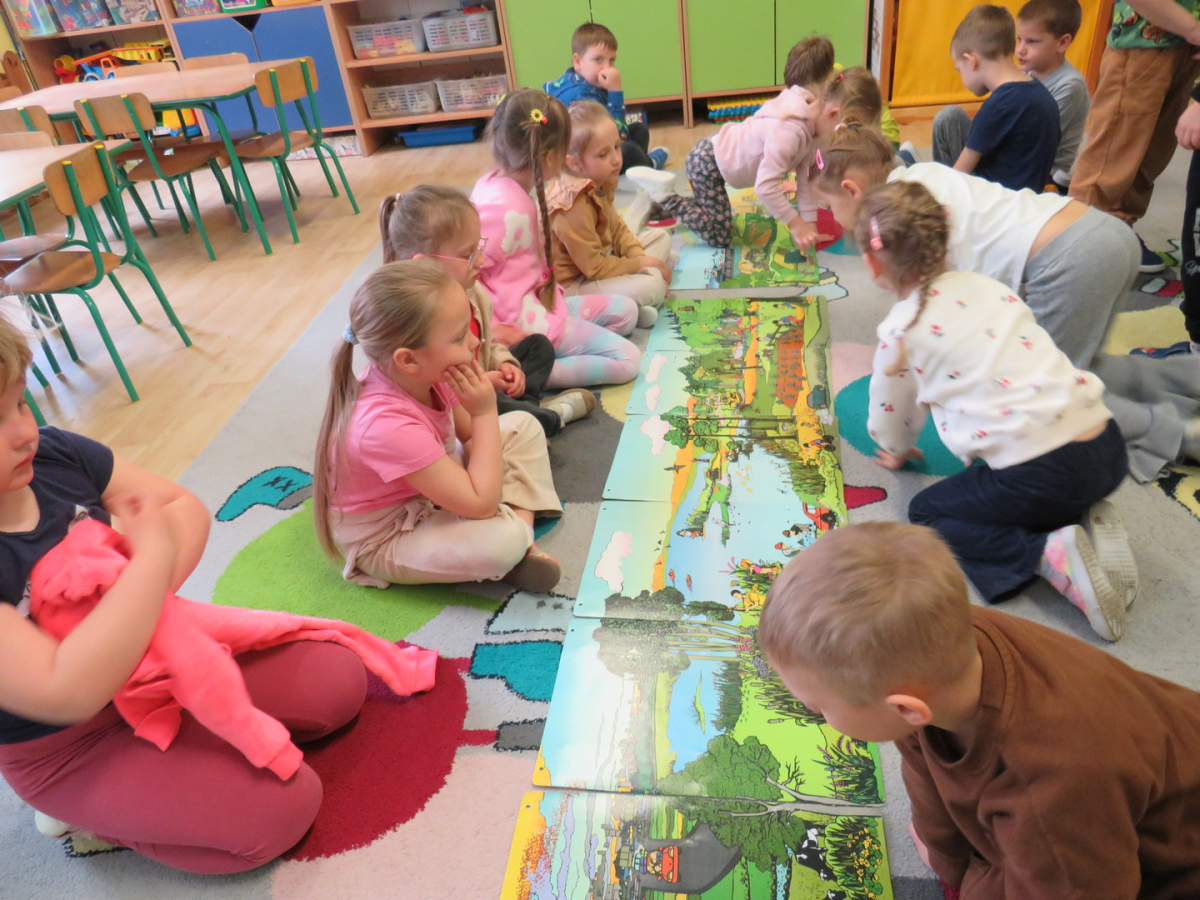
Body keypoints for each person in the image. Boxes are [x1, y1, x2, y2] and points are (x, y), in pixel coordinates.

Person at [0, 313, 371, 873]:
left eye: (21, 403)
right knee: (281, 811)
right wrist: (146, 563)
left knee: (336, 681)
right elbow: (67, 690)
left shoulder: (52, 454)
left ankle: (184, 750)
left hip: (159, 661)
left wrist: (131, 606)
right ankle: (89, 819)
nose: (24, 431)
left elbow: (180, 507)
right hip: (70, 744)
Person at [759, 521, 1200, 899]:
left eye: (816, 705)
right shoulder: (933, 645)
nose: (807, 707)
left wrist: (970, 883)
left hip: (1171, 852)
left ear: (906, 708)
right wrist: (945, 855)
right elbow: (922, 762)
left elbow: (1082, 888)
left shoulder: (1048, 788)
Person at [803, 125, 1200, 491]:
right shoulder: (921, 180)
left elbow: (945, 312)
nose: (832, 217)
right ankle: (1188, 378)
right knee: (1086, 365)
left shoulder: (904, 223)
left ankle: (1178, 435)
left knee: (1050, 394)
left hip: (1069, 262)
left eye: (827, 206)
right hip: (1102, 231)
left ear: (851, 190)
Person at [857, 180, 1129, 639]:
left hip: (1043, 472)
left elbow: (891, 414)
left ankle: (1045, 553)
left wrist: (896, 450)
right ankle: (1079, 512)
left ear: (871, 263)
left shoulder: (901, 330)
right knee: (1024, 482)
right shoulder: (990, 286)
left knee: (928, 513)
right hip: (1107, 445)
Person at [313, 259, 564, 592]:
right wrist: (485, 411)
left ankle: (521, 542)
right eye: (459, 337)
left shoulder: (429, 373)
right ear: (409, 359)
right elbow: (481, 504)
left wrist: (481, 411)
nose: (474, 344)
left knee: (524, 425)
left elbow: (470, 436)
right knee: (503, 541)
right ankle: (518, 541)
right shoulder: (382, 425)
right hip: (388, 537)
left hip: (428, 494)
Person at [379, 186, 596, 436]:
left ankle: (525, 411)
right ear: (426, 264)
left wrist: (505, 363)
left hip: (482, 380)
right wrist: (485, 382)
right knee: (497, 404)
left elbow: (488, 343)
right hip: (460, 402)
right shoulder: (420, 316)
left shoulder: (474, 291)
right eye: (467, 255)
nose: (481, 261)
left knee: (539, 346)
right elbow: (441, 388)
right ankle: (545, 418)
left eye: (479, 248)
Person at [470, 89, 642, 389]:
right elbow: (467, 279)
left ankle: (554, 348)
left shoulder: (500, 184)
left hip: (545, 304)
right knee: (628, 359)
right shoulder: (504, 211)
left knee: (627, 311)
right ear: (550, 157)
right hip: (527, 324)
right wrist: (493, 331)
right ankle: (528, 373)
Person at [655, 65, 882, 249]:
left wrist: (809, 225)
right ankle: (666, 197)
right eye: (843, 131)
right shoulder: (790, 132)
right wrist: (795, 224)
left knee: (712, 211)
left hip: (718, 158)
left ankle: (659, 206)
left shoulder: (811, 115)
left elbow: (804, 179)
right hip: (708, 165)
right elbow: (764, 187)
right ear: (833, 113)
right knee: (720, 236)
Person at [1070, 0, 1200, 273]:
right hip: (1142, 39)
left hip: (1187, 46)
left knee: (1153, 151)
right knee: (1112, 152)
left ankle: (1119, 225)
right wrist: (1193, 30)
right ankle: (1075, 237)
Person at [547, 101, 675, 330]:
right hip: (574, 286)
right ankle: (629, 303)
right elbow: (594, 268)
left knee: (661, 238)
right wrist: (642, 265)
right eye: (603, 154)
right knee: (653, 285)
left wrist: (639, 259)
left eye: (617, 146)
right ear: (575, 163)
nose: (616, 159)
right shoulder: (571, 206)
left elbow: (617, 229)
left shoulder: (600, 177)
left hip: (601, 265)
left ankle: (632, 303)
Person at [931, 4, 1060, 193]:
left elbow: (958, 174)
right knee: (950, 118)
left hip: (995, 202)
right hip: (1029, 197)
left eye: (959, 70)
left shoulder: (1000, 105)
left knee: (928, 182)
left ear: (971, 61)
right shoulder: (1040, 93)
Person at [543, 21, 667, 173]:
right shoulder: (582, 98)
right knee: (628, 149)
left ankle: (635, 166)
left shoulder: (571, 79)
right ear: (578, 61)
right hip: (585, 161)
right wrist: (615, 92)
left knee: (639, 129)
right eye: (598, 60)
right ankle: (649, 165)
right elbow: (617, 134)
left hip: (593, 148)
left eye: (611, 60)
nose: (607, 68)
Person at [1016, 0, 1089, 191]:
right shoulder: (1026, 73)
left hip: (1044, 176)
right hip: (1016, 158)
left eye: (1032, 41)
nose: (1020, 49)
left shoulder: (1070, 85)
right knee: (950, 119)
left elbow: (1032, 139)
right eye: (1019, 39)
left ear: (1062, 43)